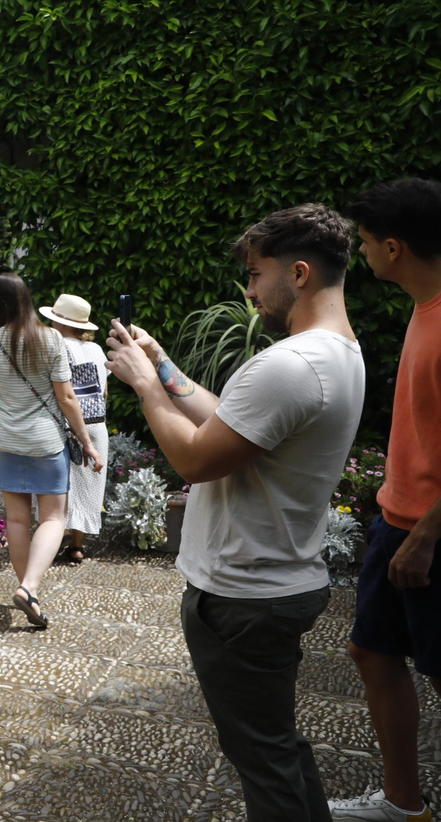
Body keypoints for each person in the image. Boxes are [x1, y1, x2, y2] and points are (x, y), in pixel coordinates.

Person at [105, 204, 364, 822]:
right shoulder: (338, 354)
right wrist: (165, 367)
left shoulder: (291, 364)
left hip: (245, 595)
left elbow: (196, 460)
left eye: (255, 275)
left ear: (297, 273)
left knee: (263, 762)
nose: (249, 292)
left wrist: (143, 385)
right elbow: (233, 423)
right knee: (275, 742)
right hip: (278, 581)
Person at [329, 179, 441, 822]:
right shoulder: (421, 303)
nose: (363, 254)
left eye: (367, 243)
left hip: (428, 532)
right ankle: (404, 802)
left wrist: (427, 534)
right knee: (371, 650)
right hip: (398, 520)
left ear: (394, 247)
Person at [0, 273, 103, 629]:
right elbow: (66, 397)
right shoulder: (50, 339)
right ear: (27, 301)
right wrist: (87, 443)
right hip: (45, 442)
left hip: (6, 442)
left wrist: (5, 385)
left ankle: (26, 590)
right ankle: (29, 587)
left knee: (15, 519)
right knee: (53, 518)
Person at [40, 293, 109, 565]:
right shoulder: (97, 350)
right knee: (89, 486)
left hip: (66, 426)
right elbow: (103, 389)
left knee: (59, 487)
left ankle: (52, 540)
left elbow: (56, 391)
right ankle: (77, 546)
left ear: (59, 321)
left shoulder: (56, 348)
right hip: (96, 424)